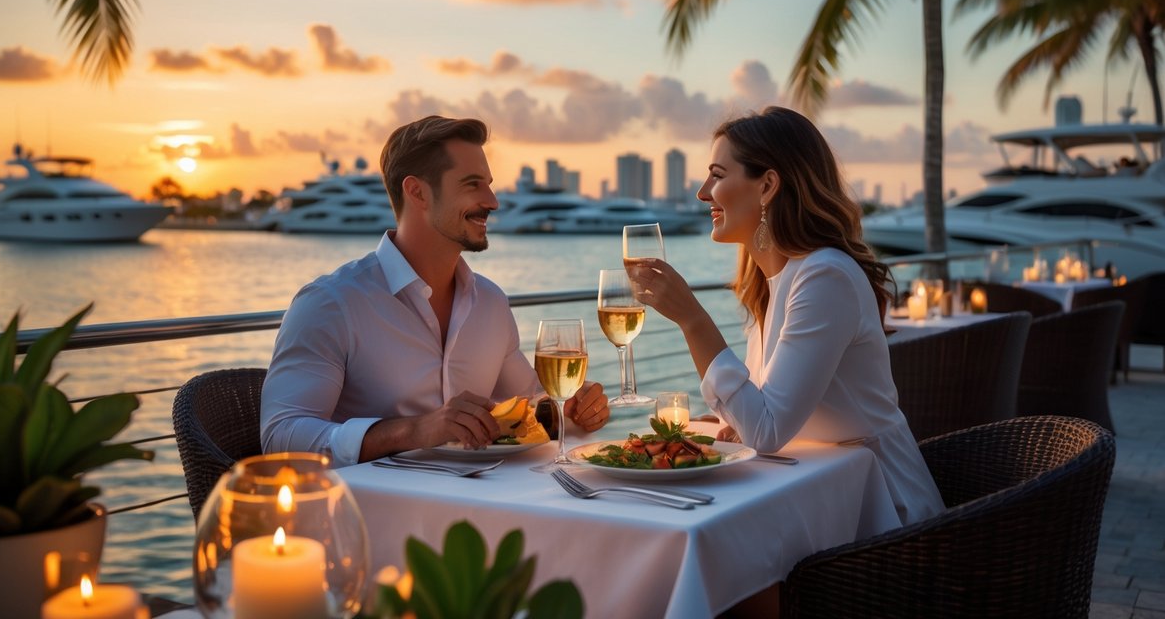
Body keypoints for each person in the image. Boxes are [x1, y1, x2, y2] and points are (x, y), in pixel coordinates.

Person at [627, 107, 944, 528]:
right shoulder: (774, 282)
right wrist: (726, 423)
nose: (703, 192)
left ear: (768, 186)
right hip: (818, 498)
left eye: (718, 175)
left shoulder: (825, 276)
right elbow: (766, 412)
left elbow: (768, 431)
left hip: (884, 517)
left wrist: (692, 319)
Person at [260, 115, 609, 465]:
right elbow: (281, 437)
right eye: (473, 184)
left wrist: (575, 408)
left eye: (489, 184)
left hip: (486, 507)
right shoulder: (330, 303)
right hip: (367, 514)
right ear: (418, 193)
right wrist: (414, 431)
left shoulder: (490, 303)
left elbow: (531, 405)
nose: (492, 201)